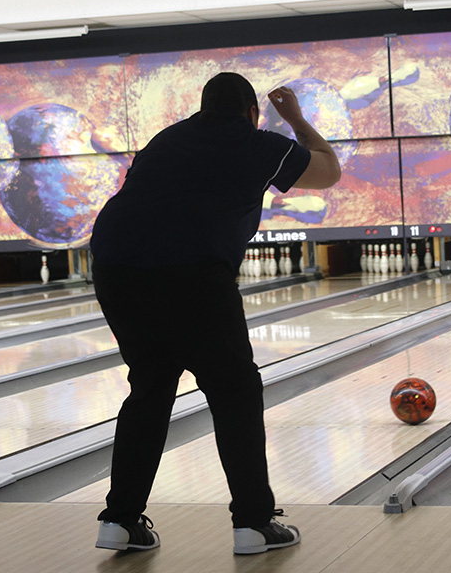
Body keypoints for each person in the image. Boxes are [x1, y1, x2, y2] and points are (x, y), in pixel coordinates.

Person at [90, 72, 341, 555]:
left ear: (201, 108)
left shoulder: (166, 139)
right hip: (193, 273)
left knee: (150, 388)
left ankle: (119, 520)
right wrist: (296, 119)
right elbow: (328, 171)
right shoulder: (258, 142)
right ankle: (253, 523)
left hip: (116, 271)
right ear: (252, 113)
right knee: (234, 392)